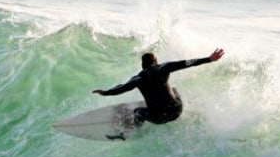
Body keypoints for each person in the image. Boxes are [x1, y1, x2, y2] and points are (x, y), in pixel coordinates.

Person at [93, 48, 225, 126]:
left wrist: (105, 92)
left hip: (159, 118)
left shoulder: (137, 79)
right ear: (155, 61)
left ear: (142, 65)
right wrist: (209, 59)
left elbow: (121, 89)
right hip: (176, 110)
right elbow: (187, 63)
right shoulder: (164, 68)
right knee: (173, 89)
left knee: (137, 112)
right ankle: (186, 105)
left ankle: (136, 128)